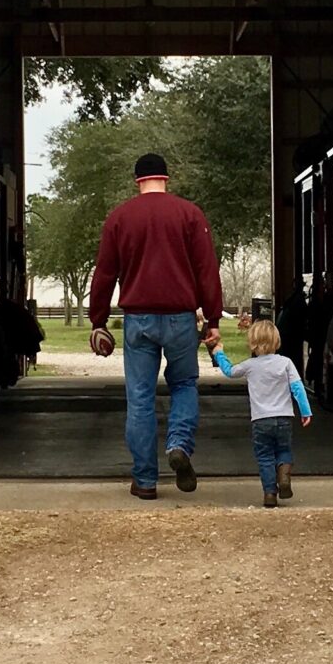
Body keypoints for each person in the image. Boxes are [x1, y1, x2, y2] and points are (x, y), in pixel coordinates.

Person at [87, 151, 226, 498]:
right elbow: (206, 269)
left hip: (139, 320)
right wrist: (212, 318)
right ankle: (178, 444)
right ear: (166, 179)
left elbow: (105, 273)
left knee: (140, 397)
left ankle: (145, 480)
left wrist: (98, 320)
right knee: (183, 385)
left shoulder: (119, 218)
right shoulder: (190, 214)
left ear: (138, 180)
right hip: (181, 318)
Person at [210, 317, 313, 507]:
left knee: (265, 456)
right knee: (283, 450)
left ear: (252, 343)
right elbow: (298, 388)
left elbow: (230, 372)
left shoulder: (250, 366)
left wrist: (219, 354)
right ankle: (283, 474)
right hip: (284, 418)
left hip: (260, 420)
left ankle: (269, 494)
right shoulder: (286, 363)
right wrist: (306, 412)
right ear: (277, 341)